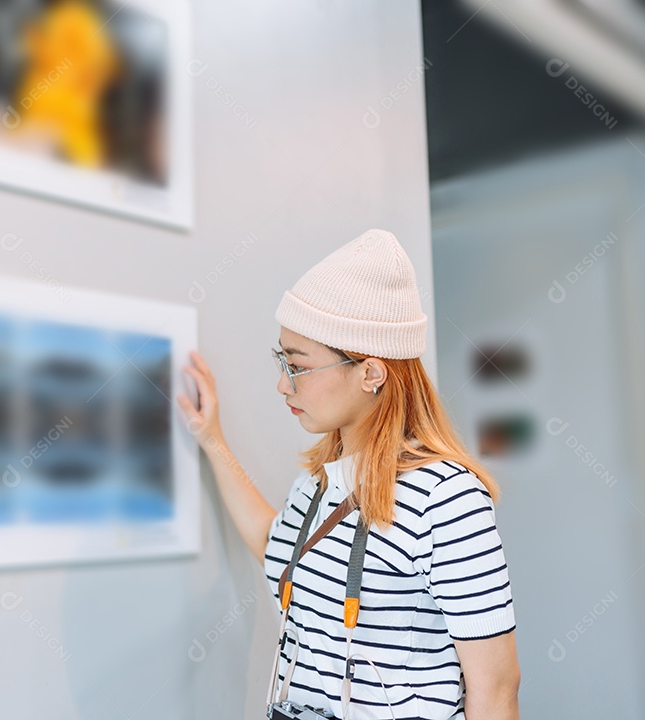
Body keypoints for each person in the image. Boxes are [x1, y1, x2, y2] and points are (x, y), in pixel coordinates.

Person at [176, 228, 520, 719]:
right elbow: (274, 544)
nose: (282, 385)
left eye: (298, 366)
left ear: (371, 373)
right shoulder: (318, 485)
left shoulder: (446, 499)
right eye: (282, 360)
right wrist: (212, 439)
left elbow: (497, 688)